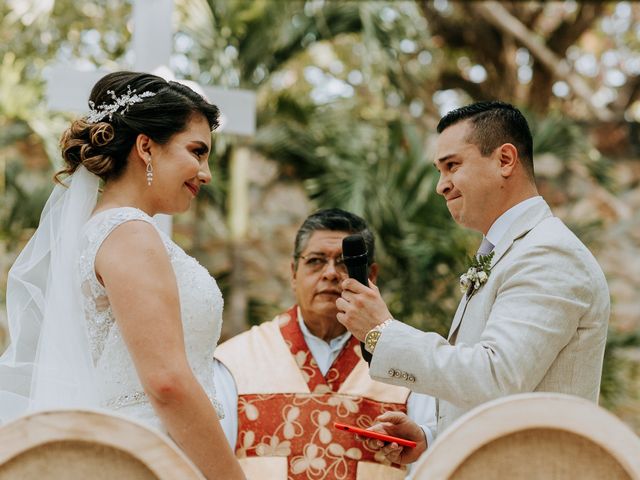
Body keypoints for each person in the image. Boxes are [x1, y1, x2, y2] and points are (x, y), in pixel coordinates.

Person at [0, 71, 245, 479]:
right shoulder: (130, 234)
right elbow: (166, 382)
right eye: (197, 152)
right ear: (146, 147)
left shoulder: (102, 230)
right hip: (149, 457)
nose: (206, 173)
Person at [335, 101, 610, 465]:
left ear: (505, 160)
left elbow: (495, 376)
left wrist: (381, 332)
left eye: (452, 166)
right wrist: (430, 439)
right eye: (439, 170)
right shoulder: (508, 251)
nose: (440, 186)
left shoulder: (549, 255)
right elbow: (499, 396)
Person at [212, 208, 436, 479]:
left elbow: (431, 468)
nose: (330, 273)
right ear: (294, 273)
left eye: (344, 262)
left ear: (371, 275)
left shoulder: (409, 364)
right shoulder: (235, 363)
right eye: (316, 261)